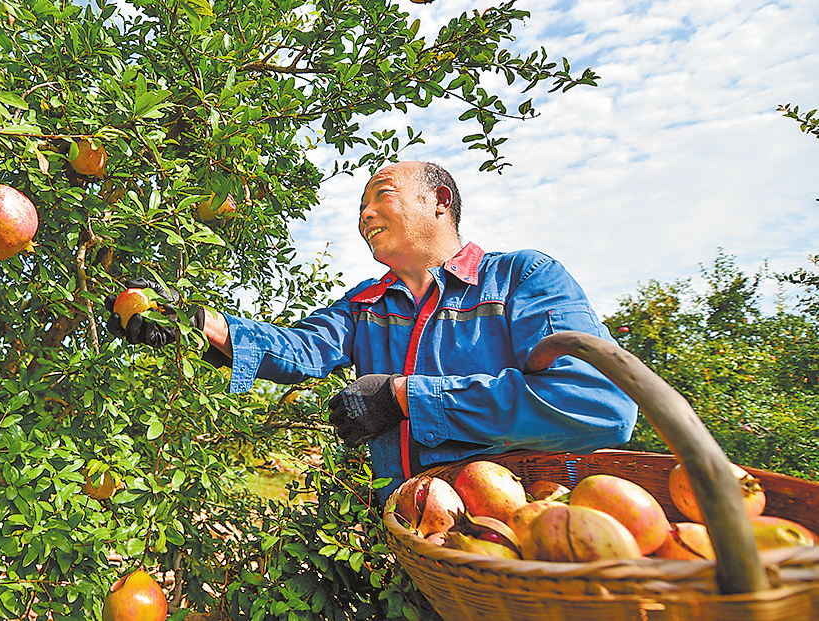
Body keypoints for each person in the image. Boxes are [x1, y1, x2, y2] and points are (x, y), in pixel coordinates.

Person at [106, 161, 638, 503]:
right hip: (413, 545)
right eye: (361, 206)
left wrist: (405, 396)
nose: (365, 214)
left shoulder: (522, 279)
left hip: (527, 545)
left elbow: (600, 405)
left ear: (439, 201)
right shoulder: (366, 304)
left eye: (381, 195)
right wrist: (201, 325)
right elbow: (302, 348)